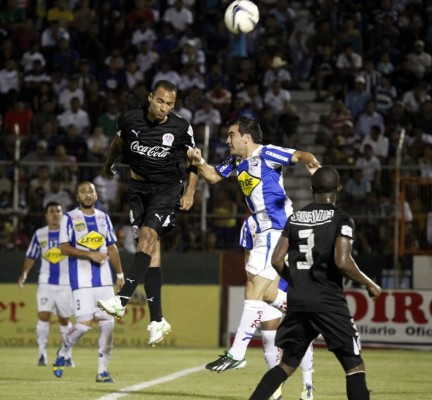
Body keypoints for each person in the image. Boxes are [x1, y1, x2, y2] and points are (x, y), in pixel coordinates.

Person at [188, 117, 320, 373]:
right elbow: (213, 176)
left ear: (246, 137)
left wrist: (313, 166)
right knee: (268, 293)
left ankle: (237, 353)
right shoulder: (237, 161)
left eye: (231, 135)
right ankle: (311, 315)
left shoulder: (267, 153)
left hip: (276, 227)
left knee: (253, 288)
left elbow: (302, 155)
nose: (227, 140)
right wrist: (199, 161)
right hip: (262, 231)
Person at [249, 166, 382, 400]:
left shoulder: (296, 218)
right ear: (339, 189)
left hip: (299, 301)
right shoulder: (342, 219)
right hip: (328, 301)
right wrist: (369, 283)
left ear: (312, 189)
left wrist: (297, 281)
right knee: (354, 365)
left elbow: (277, 260)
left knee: (287, 364)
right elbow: (342, 261)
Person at [96, 80, 198, 347]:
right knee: (151, 253)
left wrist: (190, 193)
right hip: (138, 189)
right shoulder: (130, 118)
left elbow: (194, 162)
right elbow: (118, 144)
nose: (164, 108)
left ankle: (121, 299)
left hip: (167, 189)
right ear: (150, 97)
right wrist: (109, 165)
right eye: (161, 101)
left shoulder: (181, 127)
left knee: (147, 235)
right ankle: (157, 320)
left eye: (170, 104)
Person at [52, 181, 124, 383]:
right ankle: (63, 350)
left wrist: (119, 275)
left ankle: (102, 372)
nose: (87, 194)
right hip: (81, 281)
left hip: (104, 281)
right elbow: (64, 248)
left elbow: (112, 248)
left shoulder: (104, 218)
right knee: (83, 326)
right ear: (77, 197)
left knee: (108, 325)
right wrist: (90, 255)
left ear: (96, 195)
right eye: (82, 191)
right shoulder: (69, 218)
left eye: (90, 191)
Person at [240, 215, 315, 400]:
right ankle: (276, 389)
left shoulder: (292, 220)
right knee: (269, 336)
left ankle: (308, 387)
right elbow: (248, 255)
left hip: (291, 284)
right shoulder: (250, 222)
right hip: (267, 285)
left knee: (303, 335)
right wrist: (254, 284)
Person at [18, 201, 74, 367]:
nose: (55, 214)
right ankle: (42, 354)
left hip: (66, 283)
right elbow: (31, 255)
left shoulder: (70, 235)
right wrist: (24, 274)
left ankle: (67, 355)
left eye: (58, 211)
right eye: (51, 211)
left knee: (65, 320)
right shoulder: (40, 234)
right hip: (45, 282)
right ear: (46, 215)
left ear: (62, 214)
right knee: (44, 315)